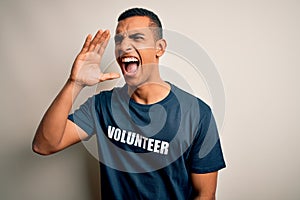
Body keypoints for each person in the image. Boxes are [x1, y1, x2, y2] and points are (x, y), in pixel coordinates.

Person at [32, 7, 226, 200]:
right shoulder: (102, 105)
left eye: (137, 38)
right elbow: (44, 145)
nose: (124, 46)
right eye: (119, 40)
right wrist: (75, 83)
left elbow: (205, 194)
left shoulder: (198, 114)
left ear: (160, 48)